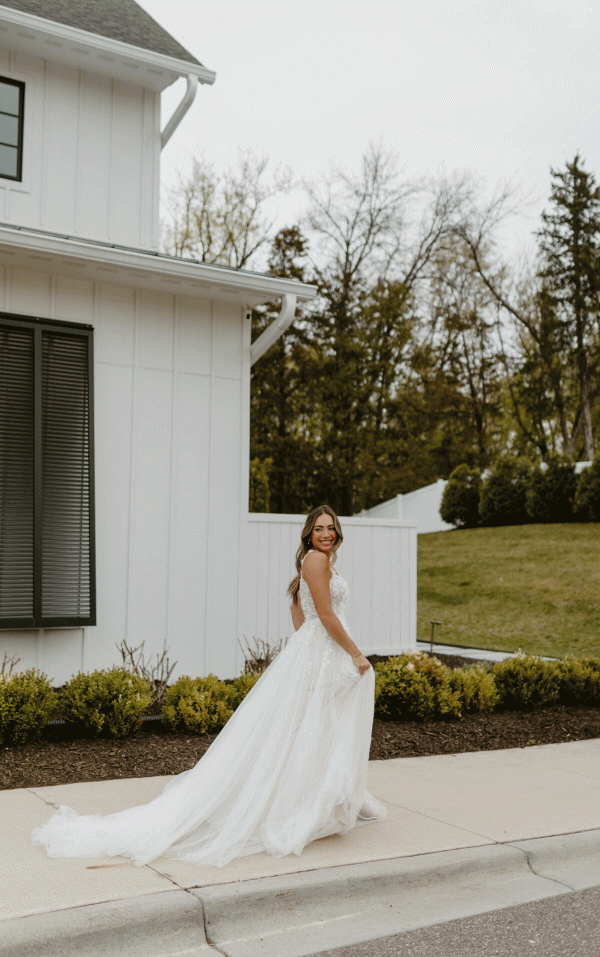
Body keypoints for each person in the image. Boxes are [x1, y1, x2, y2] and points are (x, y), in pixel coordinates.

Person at [32, 505, 385, 868]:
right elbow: (324, 616)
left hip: (317, 655)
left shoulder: (313, 564)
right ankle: (306, 804)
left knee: (316, 728)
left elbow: (302, 621)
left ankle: (322, 799)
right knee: (316, 727)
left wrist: (320, 651)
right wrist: (356, 654)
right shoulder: (315, 562)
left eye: (330, 528)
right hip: (323, 654)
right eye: (318, 528)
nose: (325, 533)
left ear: (338, 532)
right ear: (309, 534)